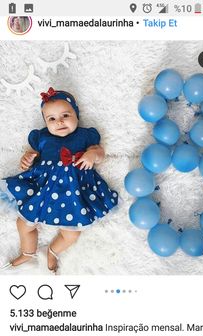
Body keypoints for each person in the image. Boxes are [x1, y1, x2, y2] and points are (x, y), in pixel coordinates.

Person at [0, 87, 118, 273]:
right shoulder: (42, 138)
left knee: (71, 234)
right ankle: (28, 252)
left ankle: (53, 251)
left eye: (65, 115)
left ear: (76, 115)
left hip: (75, 192)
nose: (60, 122)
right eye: (52, 119)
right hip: (43, 189)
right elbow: (30, 159)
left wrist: (92, 154)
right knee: (23, 223)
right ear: (45, 123)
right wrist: (27, 159)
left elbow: (100, 154)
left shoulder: (85, 135)